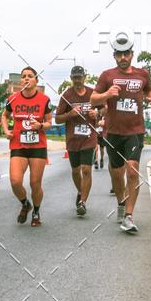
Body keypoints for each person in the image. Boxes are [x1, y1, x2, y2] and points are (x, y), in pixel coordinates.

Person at [91, 32, 151, 233]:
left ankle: (128, 216)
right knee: (117, 174)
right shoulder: (107, 76)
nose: (123, 57)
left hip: (135, 131)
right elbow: (93, 99)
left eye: (126, 53)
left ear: (131, 54)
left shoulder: (142, 74)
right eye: (119, 54)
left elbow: (149, 91)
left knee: (132, 169)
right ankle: (121, 202)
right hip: (112, 133)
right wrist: (106, 94)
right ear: (114, 56)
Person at [2, 67, 52, 227]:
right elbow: (4, 115)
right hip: (18, 144)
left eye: (30, 76)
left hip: (38, 146)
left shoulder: (44, 99)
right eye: (23, 76)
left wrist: (41, 125)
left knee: (35, 183)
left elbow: (50, 123)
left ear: (36, 81)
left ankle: (36, 211)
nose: (26, 79)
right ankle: (25, 204)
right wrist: (5, 130)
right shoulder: (13, 98)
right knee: (15, 181)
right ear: (20, 81)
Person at [55, 65, 98, 216]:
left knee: (86, 169)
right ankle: (80, 191)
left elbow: (104, 108)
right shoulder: (66, 96)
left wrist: (97, 113)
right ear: (71, 78)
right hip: (73, 139)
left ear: (84, 77)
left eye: (80, 77)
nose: (77, 80)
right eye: (75, 78)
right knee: (75, 171)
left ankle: (83, 202)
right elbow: (58, 118)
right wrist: (70, 114)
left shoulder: (93, 93)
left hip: (89, 137)